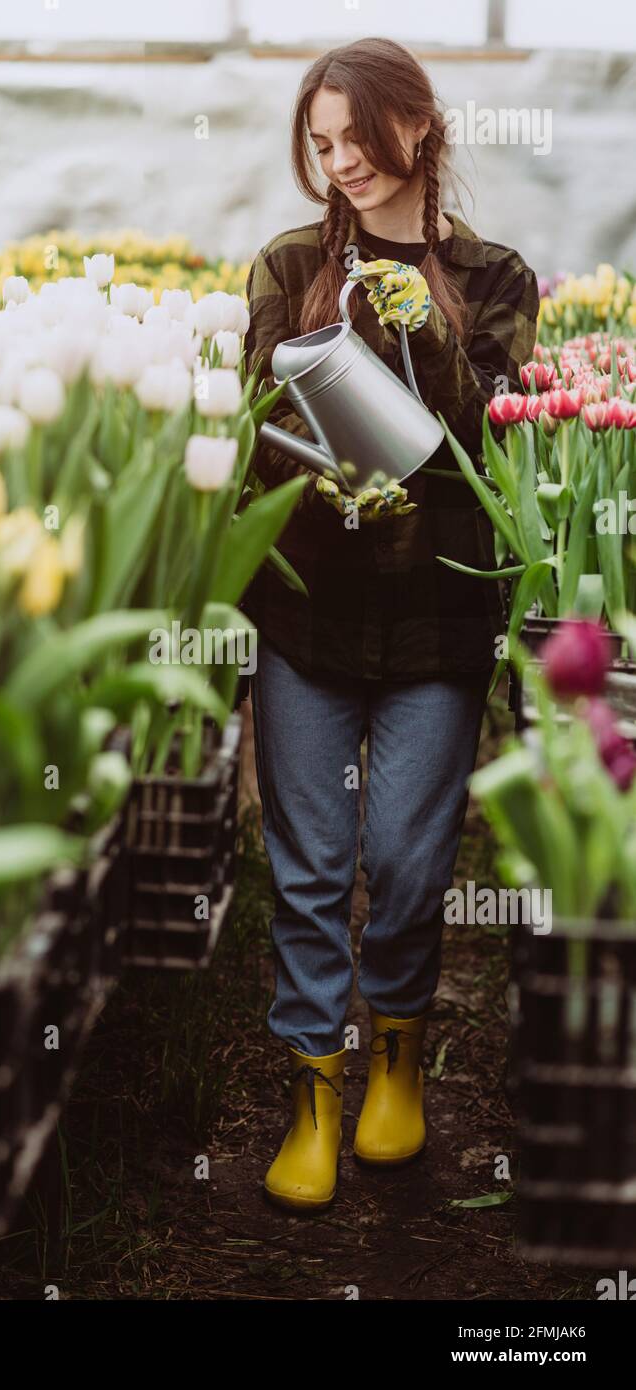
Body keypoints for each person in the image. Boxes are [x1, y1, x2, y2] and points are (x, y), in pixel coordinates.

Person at [239, 36, 539, 1210]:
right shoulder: (284, 264)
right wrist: (315, 465)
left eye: (357, 136)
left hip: (438, 616)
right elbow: (261, 411)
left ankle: (398, 1065)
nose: (340, 162)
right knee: (310, 866)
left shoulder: (498, 275)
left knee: (411, 866)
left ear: (417, 125)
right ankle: (313, 1087)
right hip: (309, 609)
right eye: (319, 143)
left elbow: (493, 444)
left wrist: (428, 338)